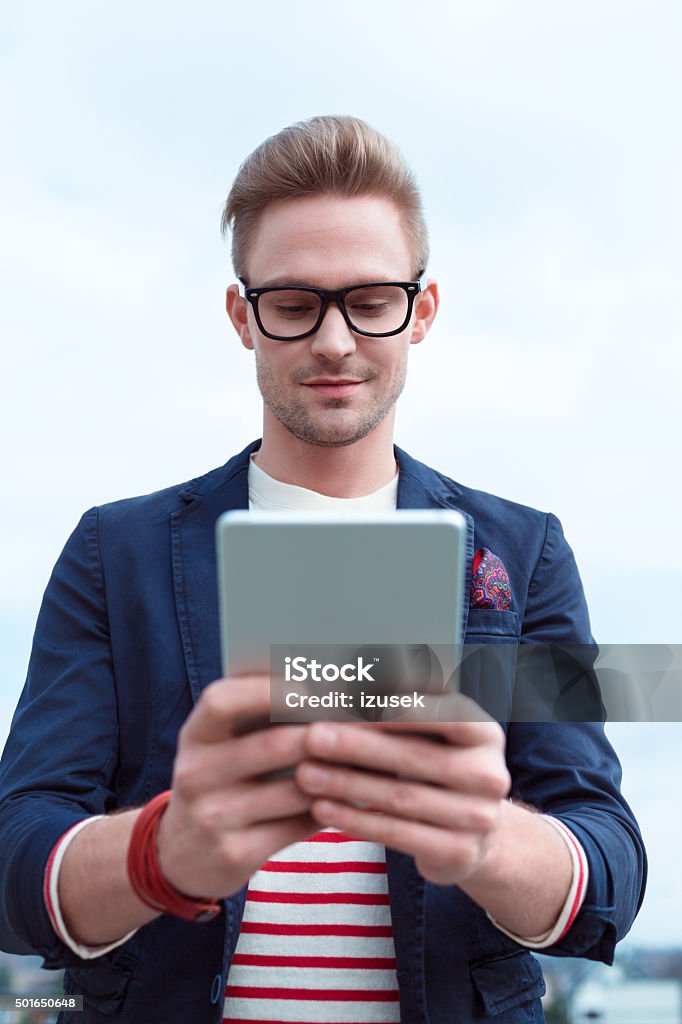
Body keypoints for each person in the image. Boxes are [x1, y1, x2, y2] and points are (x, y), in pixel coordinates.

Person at [0, 116, 646, 1024]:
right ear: (243, 317)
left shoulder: (525, 553)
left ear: (421, 310)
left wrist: (489, 841)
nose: (335, 342)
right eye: (296, 304)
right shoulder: (116, 555)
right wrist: (162, 852)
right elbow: (15, 859)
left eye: (371, 300)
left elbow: (610, 855)